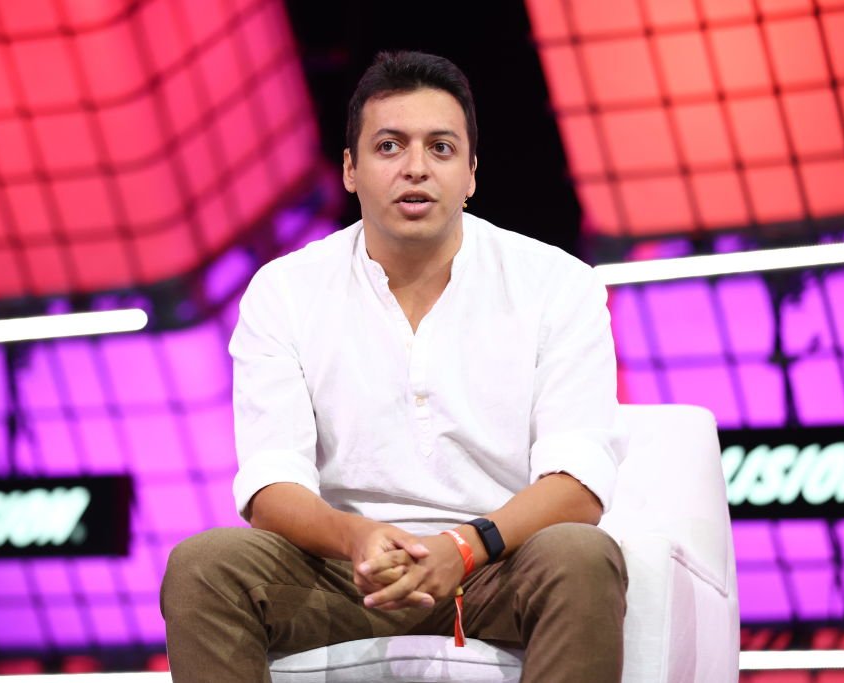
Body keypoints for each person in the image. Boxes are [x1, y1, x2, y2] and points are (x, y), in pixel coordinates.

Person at [160, 50, 628, 683]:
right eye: (389, 146)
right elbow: (271, 486)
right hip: (343, 572)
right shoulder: (285, 290)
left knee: (580, 554)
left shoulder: (557, 284)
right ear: (350, 170)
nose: (415, 167)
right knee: (204, 566)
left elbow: (578, 483)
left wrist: (463, 547)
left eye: (441, 148)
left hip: (497, 566)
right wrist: (356, 539)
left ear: (471, 173)